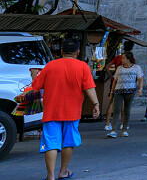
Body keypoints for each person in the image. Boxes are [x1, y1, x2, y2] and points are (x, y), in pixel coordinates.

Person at [22, 36, 100, 180]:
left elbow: (36, 86)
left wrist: (34, 75)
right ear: (77, 52)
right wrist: (96, 104)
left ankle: (50, 176)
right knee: (68, 142)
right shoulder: (83, 66)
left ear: (62, 50)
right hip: (72, 112)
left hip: (52, 112)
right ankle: (63, 172)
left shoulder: (50, 66)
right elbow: (89, 88)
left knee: (51, 144)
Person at [107, 51, 142, 138]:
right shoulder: (119, 68)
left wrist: (140, 88)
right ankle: (113, 130)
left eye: (123, 58)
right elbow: (115, 80)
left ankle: (124, 129)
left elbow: (140, 78)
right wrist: (111, 92)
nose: (121, 60)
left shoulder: (136, 67)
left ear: (128, 59)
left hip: (130, 91)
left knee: (127, 110)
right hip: (118, 90)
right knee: (116, 110)